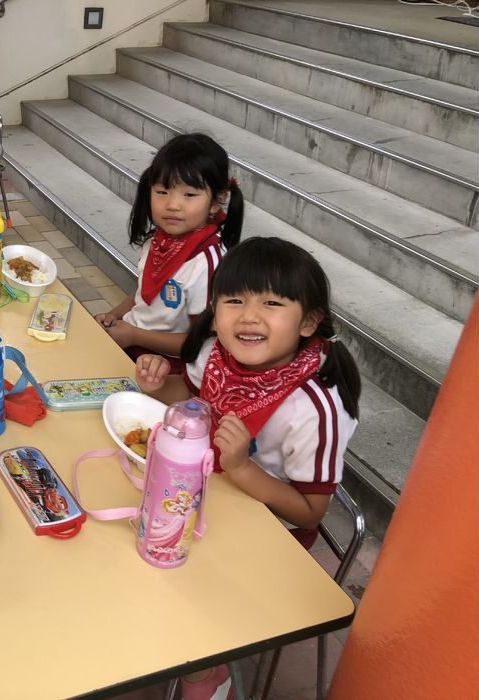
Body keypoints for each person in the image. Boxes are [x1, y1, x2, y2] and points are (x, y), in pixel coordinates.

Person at [134, 237, 361, 698]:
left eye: (272, 303)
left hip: (273, 535)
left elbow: (310, 512)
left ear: (309, 322)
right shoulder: (215, 354)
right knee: (141, 546)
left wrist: (240, 468)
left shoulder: (314, 408)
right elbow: (191, 397)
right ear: (214, 309)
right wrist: (158, 385)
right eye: (234, 300)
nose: (249, 316)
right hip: (206, 490)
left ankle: (208, 672)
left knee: (178, 590)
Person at [95, 133, 244, 373]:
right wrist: (114, 316)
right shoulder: (157, 240)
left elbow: (201, 342)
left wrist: (133, 335)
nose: (173, 205)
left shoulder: (207, 263)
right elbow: (144, 293)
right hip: (132, 343)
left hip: (166, 366)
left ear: (218, 201)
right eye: (162, 192)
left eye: (189, 194)